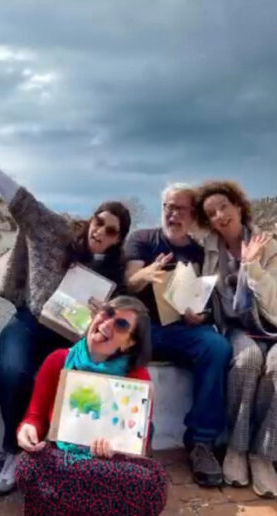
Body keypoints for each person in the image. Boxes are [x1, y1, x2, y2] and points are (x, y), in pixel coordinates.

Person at [0, 125, 132, 493]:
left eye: (111, 231)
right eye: (99, 221)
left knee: (76, 380)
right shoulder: (58, 232)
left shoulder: (115, 273)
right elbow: (23, 202)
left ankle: (58, 458)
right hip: (29, 322)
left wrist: (105, 313)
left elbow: (123, 319)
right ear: (91, 219)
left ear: (118, 240)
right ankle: (13, 452)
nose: (100, 232)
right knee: (14, 372)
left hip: (70, 337)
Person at [15, 295, 167, 516]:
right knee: (27, 465)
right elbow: (34, 416)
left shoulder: (137, 378)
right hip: (66, 460)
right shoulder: (58, 361)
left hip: (109, 468)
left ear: (129, 343)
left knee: (153, 482)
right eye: (107, 313)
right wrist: (27, 430)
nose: (107, 323)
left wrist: (115, 450)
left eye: (121, 324)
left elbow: (136, 444)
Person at [125, 183, 231, 487]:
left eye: (180, 208)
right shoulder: (142, 239)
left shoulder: (198, 251)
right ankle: (129, 443)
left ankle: (201, 443)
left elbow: (206, 299)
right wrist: (146, 274)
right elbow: (130, 282)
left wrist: (199, 316)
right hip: (142, 328)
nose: (173, 214)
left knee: (217, 347)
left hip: (181, 330)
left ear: (192, 214)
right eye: (168, 207)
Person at [196, 180, 277, 498]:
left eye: (224, 207)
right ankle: (236, 448)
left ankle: (263, 454)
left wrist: (252, 266)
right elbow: (202, 292)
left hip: (270, 326)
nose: (219, 215)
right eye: (211, 213)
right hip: (236, 328)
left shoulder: (268, 245)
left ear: (239, 207)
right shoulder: (209, 250)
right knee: (247, 360)